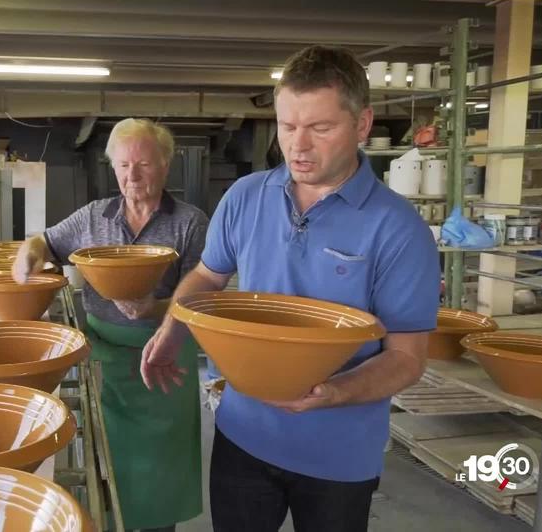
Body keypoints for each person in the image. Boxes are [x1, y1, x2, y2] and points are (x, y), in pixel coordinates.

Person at [141, 46, 440, 532]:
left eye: (320, 128)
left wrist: (335, 392)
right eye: (287, 126)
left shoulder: (398, 229)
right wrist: (173, 329)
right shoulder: (245, 196)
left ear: (362, 125)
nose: (298, 146)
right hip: (243, 433)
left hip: (338, 454)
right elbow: (207, 276)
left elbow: (407, 357)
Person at [12, 118, 208, 532]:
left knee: (160, 466)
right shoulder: (92, 218)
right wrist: (26, 256)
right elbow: (43, 241)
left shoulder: (191, 222)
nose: (132, 175)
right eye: (123, 166)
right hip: (107, 357)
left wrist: (153, 310)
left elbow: (202, 300)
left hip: (166, 355)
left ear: (165, 165)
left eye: (143, 165)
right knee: (107, 462)